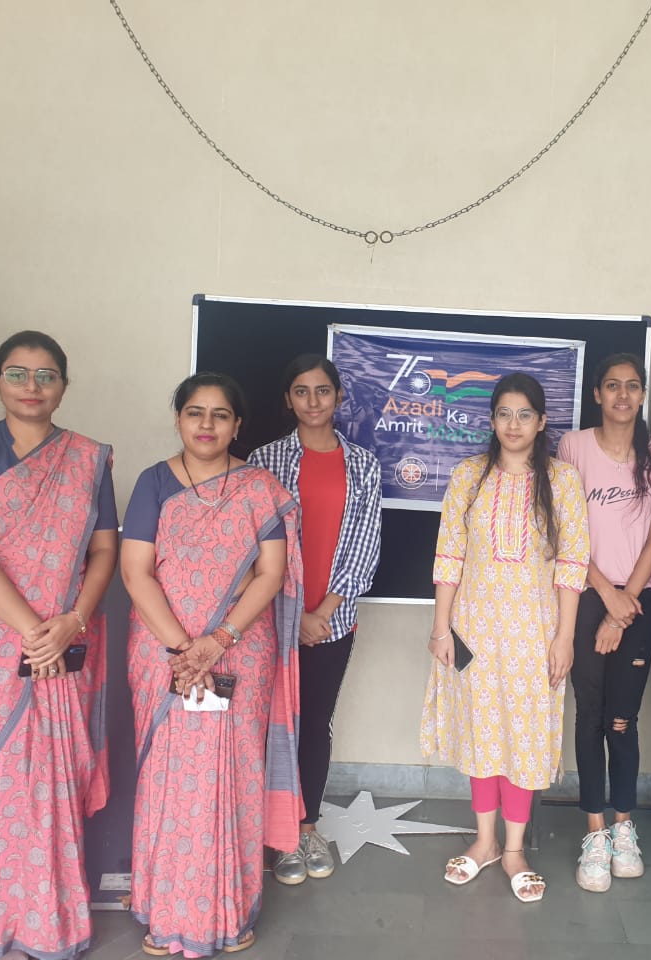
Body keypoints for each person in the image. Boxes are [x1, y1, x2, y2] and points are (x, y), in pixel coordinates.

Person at [0, 330, 118, 960]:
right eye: (17, 373)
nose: (32, 386)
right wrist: (35, 632)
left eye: (47, 375)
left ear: (64, 386)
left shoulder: (89, 458)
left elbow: (103, 550)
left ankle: (51, 927)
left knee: (53, 787)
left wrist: (72, 621)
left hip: (65, 641)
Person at [121, 372, 304, 957]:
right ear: (178, 419)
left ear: (237, 425)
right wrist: (185, 649)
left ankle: (227, 910)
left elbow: (271, 573)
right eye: (194, 412)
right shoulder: (153, 483)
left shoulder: (260, 488)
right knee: (170, 778)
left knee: (231, 774)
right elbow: (135, 572)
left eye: (220, 414)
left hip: (237, 652)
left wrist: (217, 642)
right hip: (165, 653)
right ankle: (167, 911)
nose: (206, 424)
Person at [421, 373, 589, 903]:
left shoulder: (562, 480)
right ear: (492, 420)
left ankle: (515, 849)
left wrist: (564, 638)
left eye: (524, 414)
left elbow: (572, 565)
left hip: (535, 635)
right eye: (504, 414)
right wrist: (441, 627)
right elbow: (449, 555)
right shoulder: (469, 476)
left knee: (524, 735)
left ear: (541, 422)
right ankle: (485, 841)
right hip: (474, 632)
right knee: (482, 733)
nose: (513, 424)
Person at [247, 354, 382, 885]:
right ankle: (270, 833)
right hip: (269, 617)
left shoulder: (363, 465)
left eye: (322, 390)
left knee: (314, 725)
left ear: (339, 396)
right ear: (288, 400)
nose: (313, 401)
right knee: (267, 725)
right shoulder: (263, 461)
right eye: (301, 391)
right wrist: (292, 613)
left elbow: (366, 546)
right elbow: (252, 545)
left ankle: (305, 828)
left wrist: (320, 612)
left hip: (332, 621)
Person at [556, 354, 651, 892]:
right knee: (590, 715)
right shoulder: (574, 446)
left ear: (643, 395)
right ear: (597, 395)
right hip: (585, 594)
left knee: (622, 719)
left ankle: (624, 828)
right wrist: (606, 596)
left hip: (639, 598)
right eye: (612, 386)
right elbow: (566, 530)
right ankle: (595, 834)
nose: (622, 395)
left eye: (632, 386)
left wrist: (625, 603)